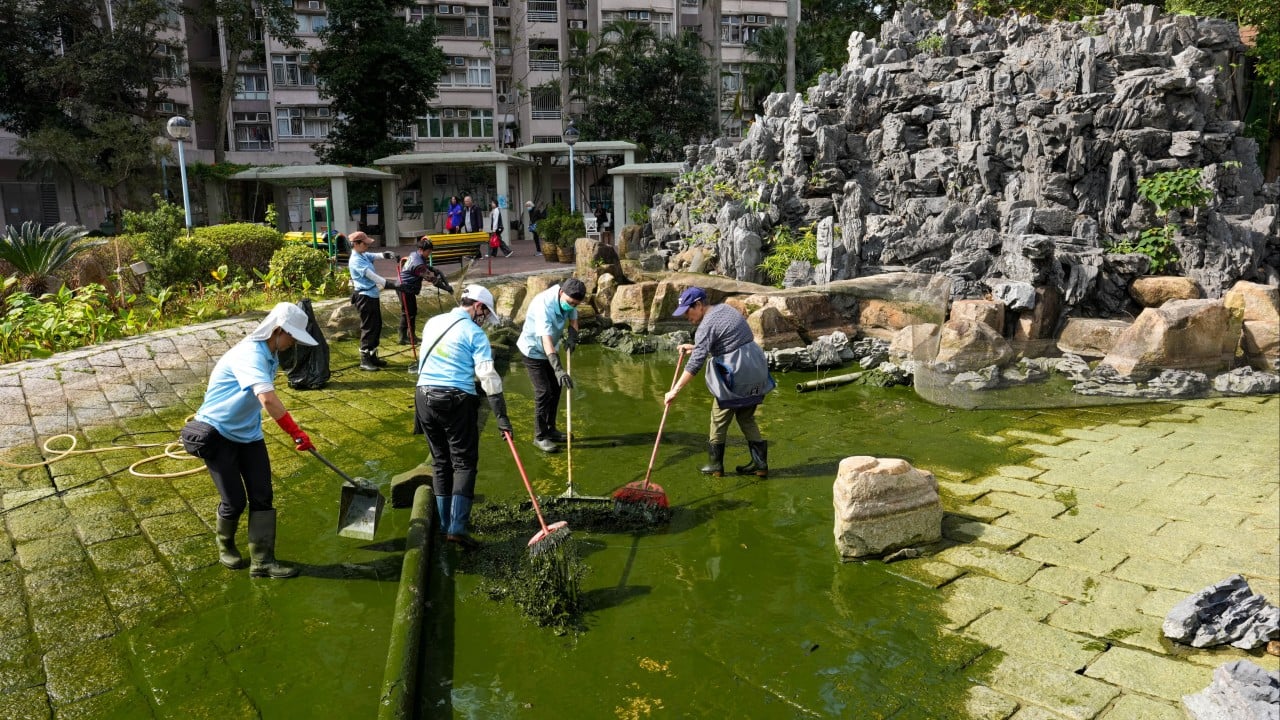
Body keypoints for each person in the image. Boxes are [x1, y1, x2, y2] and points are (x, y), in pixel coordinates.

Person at [179, 302, 319, 579]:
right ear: (278, 331)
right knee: (234, 501)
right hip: (217, 433)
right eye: (291, 337)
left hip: (248, 433)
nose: (293, 343)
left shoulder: (270, 354)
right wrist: (295, 432)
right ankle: (225, 545)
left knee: (263, 497)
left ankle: (263, 561)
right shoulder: (249, 354)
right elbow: (267, 399)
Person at [415, 285, 513, 549]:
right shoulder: (474, 333)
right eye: (484, 313)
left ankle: (445, 523)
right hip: (455, 400)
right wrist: (502, 417)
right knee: (464, 462)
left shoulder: (433, 322)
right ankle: (457, 527)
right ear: (477, 306)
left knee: (440, 462)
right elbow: (488, 377)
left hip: (423, 397)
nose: (484, 320)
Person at [663, 287, 776, 477]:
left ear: (698, 305)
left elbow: (695, 364)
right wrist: (696, 347)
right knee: (746, 417)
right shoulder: (726, 310)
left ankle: (715, 466)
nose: (686, 317)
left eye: (687, 311)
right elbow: (728, 340)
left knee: (718, 418)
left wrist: (675, 390)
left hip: (737, 374)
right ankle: (760, 465)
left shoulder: (706, 326)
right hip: (756, 368)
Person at [517, 278, 585, 452]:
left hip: (550, 349)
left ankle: (551, 429)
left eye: (575, 304)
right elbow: (545, 340)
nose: (572, 306)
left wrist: (572, 337)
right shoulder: (544, 305)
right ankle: (539, 436)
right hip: (533, 351)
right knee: (544, 391)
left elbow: (573, 321)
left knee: (556, 387)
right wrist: (558, 369)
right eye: (570, 303)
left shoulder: (569, 301)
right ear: (561, 293)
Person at [347, 231, 400, 371]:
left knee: (377, 325)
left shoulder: (362, 254)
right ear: (356, 244)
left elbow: (374, 255)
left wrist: (386, 255)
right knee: (368, 327)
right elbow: (372, 276)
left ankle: (373, 356)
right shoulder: (355, 260)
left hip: (372, 295)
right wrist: (390, 284)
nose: (368, 246)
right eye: (365, 244)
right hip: (364, 297)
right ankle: (364, 360)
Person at [397, 236, 455, 345]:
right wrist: (447, 288)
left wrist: (432, 268)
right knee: (408, 313)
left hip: (407, 287)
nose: (429, 254)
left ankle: (410, 336)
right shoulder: (418, 265)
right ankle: (403, 337)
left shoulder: (414, 254)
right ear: (422, 250)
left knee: (411, 312)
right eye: (428, 252)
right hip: (404, 287)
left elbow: (424, 266)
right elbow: (433, 280)